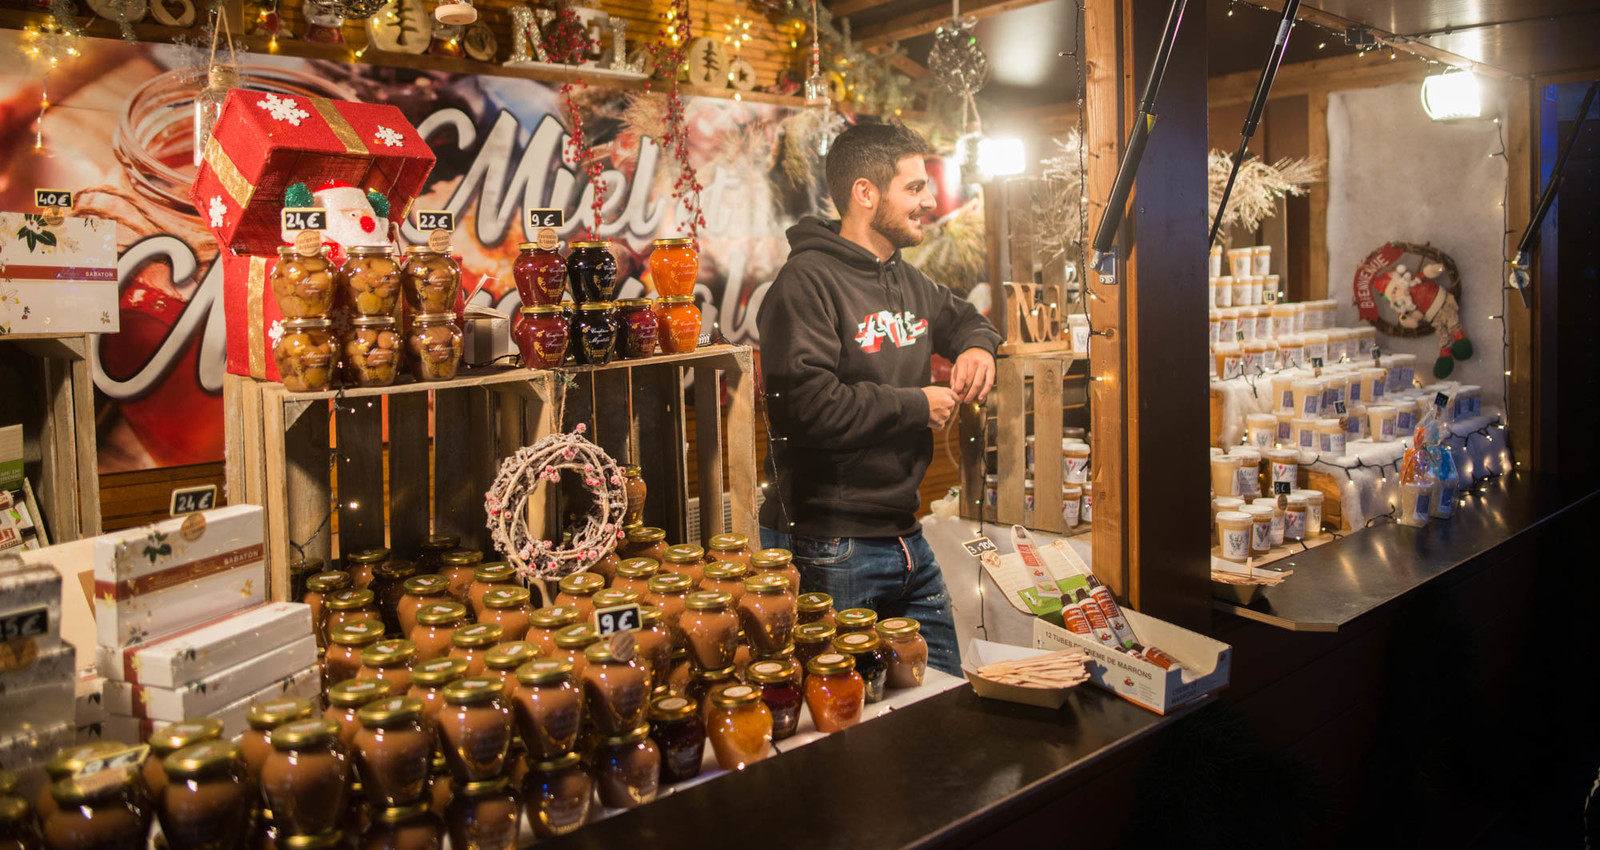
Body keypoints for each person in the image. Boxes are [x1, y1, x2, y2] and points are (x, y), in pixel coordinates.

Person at [757, 122, 1000, 677]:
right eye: (914, 188)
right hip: (830, 543)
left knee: (942, 695)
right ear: (866, 193)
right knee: (848, 723)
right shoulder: (805, 284)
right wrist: (919, 404)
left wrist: (978, 350)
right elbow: (810, 409)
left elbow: (965, 320)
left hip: (904, 535)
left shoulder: (907, 281)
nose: (931, 201)